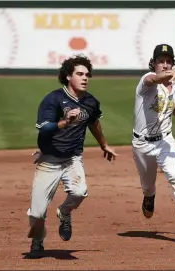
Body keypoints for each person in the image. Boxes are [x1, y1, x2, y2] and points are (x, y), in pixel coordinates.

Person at [26, 54, 117, 258]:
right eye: (79, 74)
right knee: (37, 213)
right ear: (68, 76)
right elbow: (45, 128)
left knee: (79, 192)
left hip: (72, 158)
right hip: (49, 160)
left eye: (87, 74)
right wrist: (64, 122)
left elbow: (93, 123)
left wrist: (104, 144)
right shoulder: (53, 99)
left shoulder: (91, 102)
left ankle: (64, 213)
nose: (85, 78)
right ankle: (37, 240)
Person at [131, 44, 175, 238]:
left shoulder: (174, 87)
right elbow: (155, 78)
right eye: (161, 61)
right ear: (153, 63)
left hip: (165, 141)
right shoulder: (146, 81)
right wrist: (173, 73)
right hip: (142, 144)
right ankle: (149, 196)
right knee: (148, 184)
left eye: (169, 62)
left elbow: (174, 106)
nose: (165, 65)